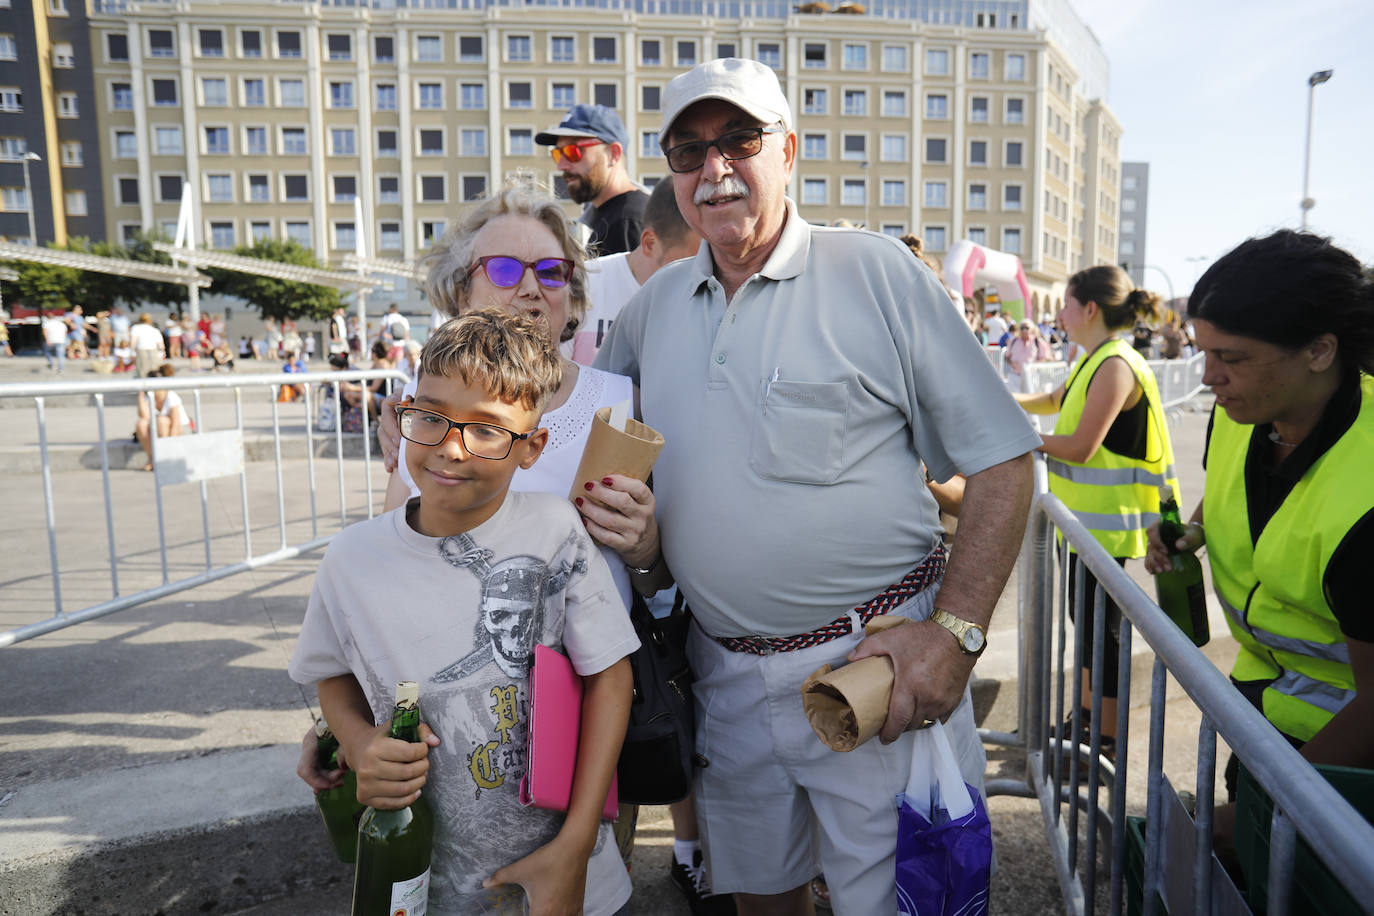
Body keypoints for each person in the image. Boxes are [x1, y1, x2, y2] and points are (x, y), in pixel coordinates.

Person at [594, 58, 1039, 914]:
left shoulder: (875, 274)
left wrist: (957, 637)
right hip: (722, 679)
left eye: (739, 141)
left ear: (788, 150)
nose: (713, 168)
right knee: (761, 900)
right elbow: (589, 447)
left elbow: (1003, 460)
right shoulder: (650, 314)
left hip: (875, 674)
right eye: (687, 151)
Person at [289, 309, 638, 916]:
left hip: (569, 873)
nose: (451, 446)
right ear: (406, 416)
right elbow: (332, 674)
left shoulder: (555, 531)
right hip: (428, 883)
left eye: (487, 429)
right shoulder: (350, 559)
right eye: (431, 415)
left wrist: (576, 846)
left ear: (532, 447)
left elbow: (611, 674)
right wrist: (358, 741)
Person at [1143, 230, 1374, 818]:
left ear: (1320, 351)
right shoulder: (1245, 412)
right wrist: (1193, 534)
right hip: (1262, 707)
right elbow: (1240, 498)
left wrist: (1268, 812)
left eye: (1232, 358)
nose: (1208, 377)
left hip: (1344, 757)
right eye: (1204, 352)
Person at [1015, 265, 1178, 759]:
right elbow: (1052, 399)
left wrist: (1015, 437)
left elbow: (1083, 446)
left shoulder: (1115, 364)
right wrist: (1002, 400)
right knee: (1084, 626)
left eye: (1065, 304)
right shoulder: (1096, 359)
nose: (1059, 315)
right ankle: (1086, 717)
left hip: (1106, 528)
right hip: (1086, 526)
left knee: (1098, 631)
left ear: (1088, 308)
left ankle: (1101, 739)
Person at [564, 178, 701, 366]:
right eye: (691, 261)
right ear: (650, 243)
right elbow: (549, 386)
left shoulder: (705, 302)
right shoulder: (581, 285)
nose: (703, 271)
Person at [536, 104, 649, 257]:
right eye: (557, 153)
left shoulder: (625, 222)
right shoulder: (613, 217)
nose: (561, 165)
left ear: (613, 154)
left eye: (572, 151)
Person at [134, 363, 191, 471]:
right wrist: (141, 396)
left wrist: (170, 447)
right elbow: (144, 416)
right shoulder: (148, 396)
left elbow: (176, 424)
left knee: (161, 421)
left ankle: (165, 458)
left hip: (180, 428)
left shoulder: (171, 396)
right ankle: (152, 459)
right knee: (141, 424)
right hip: (160, 429)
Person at [1005, 319, 1054, 390]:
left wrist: (1034, 365)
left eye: (1027, 328)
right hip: (1015, 375)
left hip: (1031, 376)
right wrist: (1011, 363)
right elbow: (1007, 357)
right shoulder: (1014, 341)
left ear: (1032, 329)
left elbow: (1047, 358)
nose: (1024, 330)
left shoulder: (1038, 342)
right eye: (1022, 328)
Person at [129, 312, 165, 378]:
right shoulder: (155, 330)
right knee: (154, 371)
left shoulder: (135, 328)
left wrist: (131, 352)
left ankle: (144, 387)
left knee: (142, 371)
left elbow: (133, 342)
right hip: (153, 350)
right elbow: (161, 345)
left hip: (141, 350)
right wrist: (162, 353)